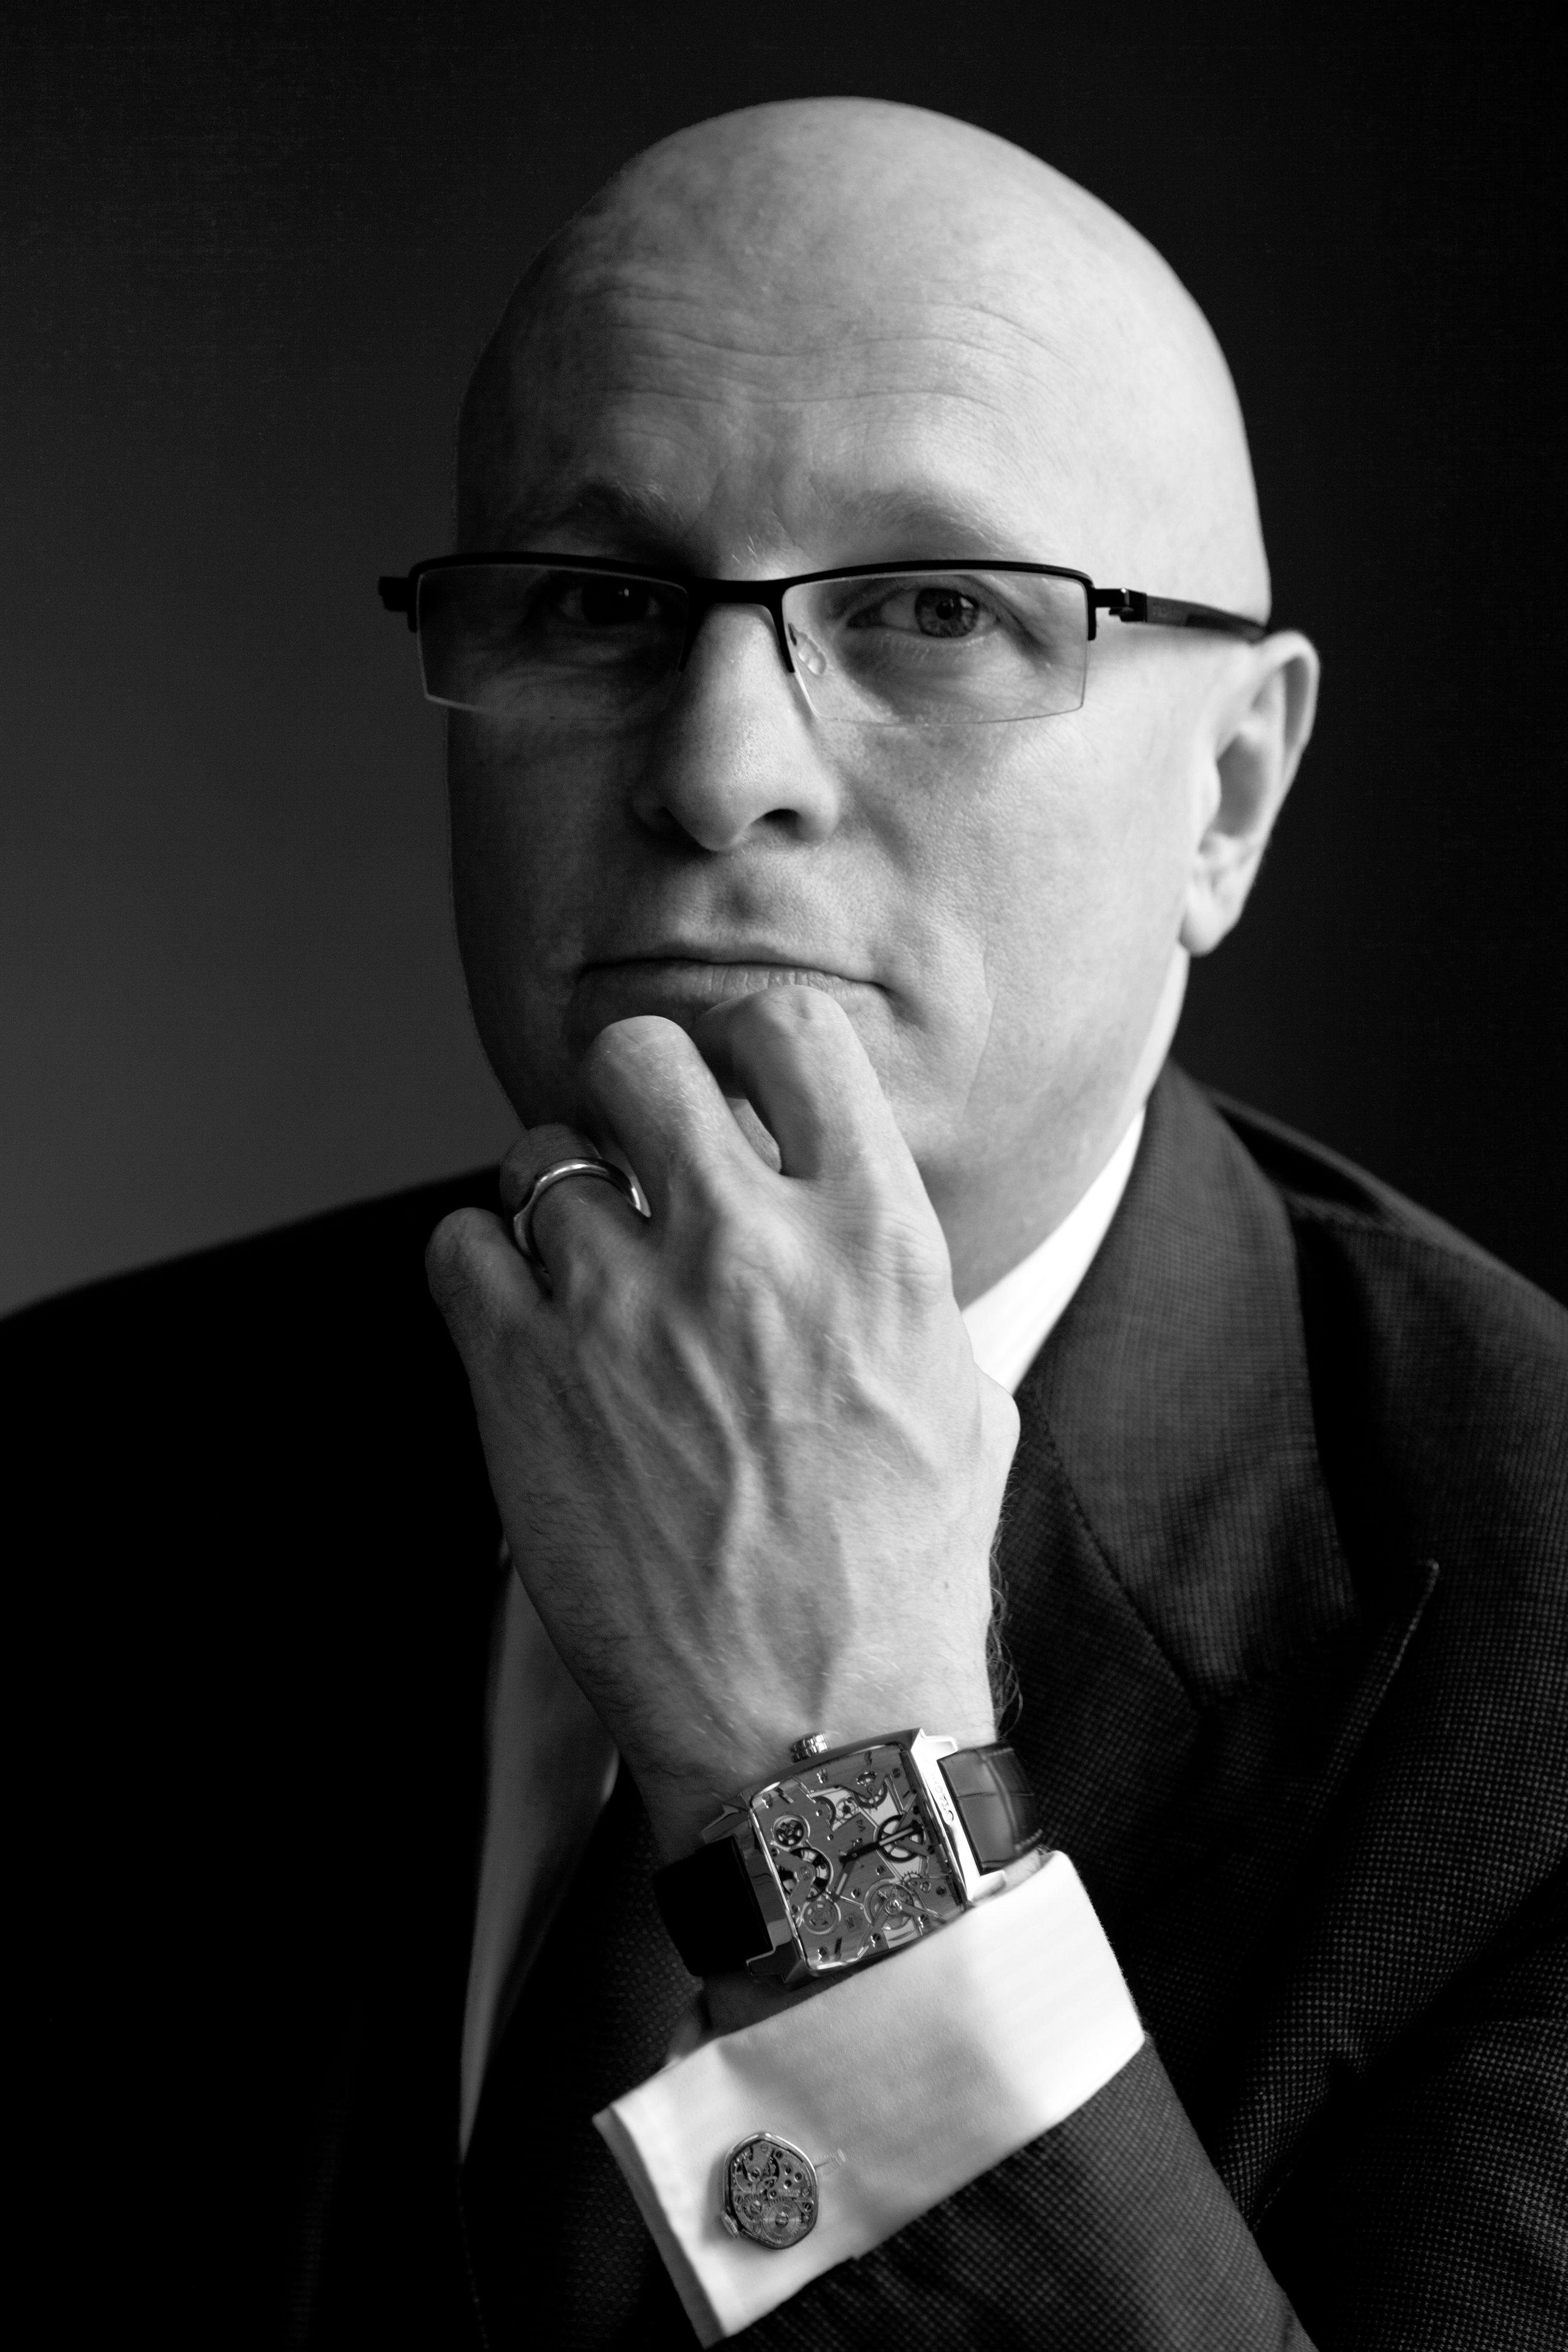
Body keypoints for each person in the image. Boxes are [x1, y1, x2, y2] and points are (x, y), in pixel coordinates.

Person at [6, 97, 1563, 2351]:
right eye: (595, 603)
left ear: (1227, 794)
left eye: (936, 610)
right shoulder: (66, 1463)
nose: (719, 764)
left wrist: (825, 1810)